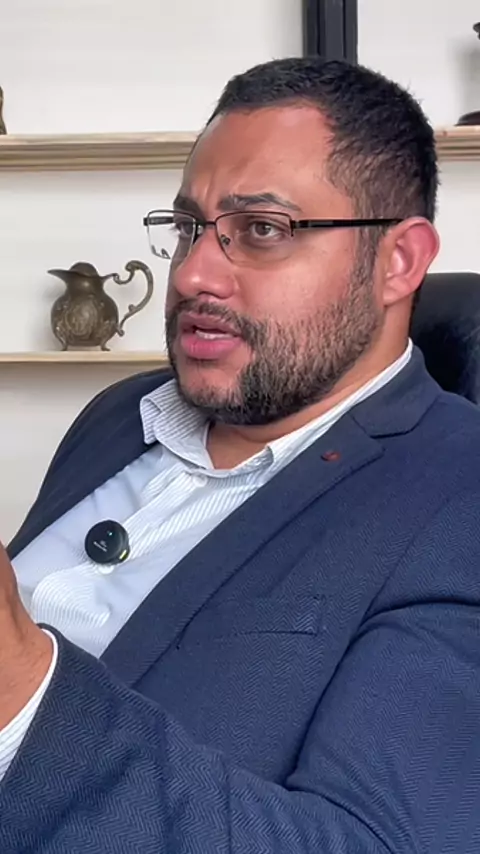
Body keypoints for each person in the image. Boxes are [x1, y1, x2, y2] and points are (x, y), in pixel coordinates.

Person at [0, 56, 479, 853]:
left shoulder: (459, 498)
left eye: (262, 230)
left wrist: (19, 690)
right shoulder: (117, 416)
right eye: (188, 227)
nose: (193, 273)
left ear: (398, 261)